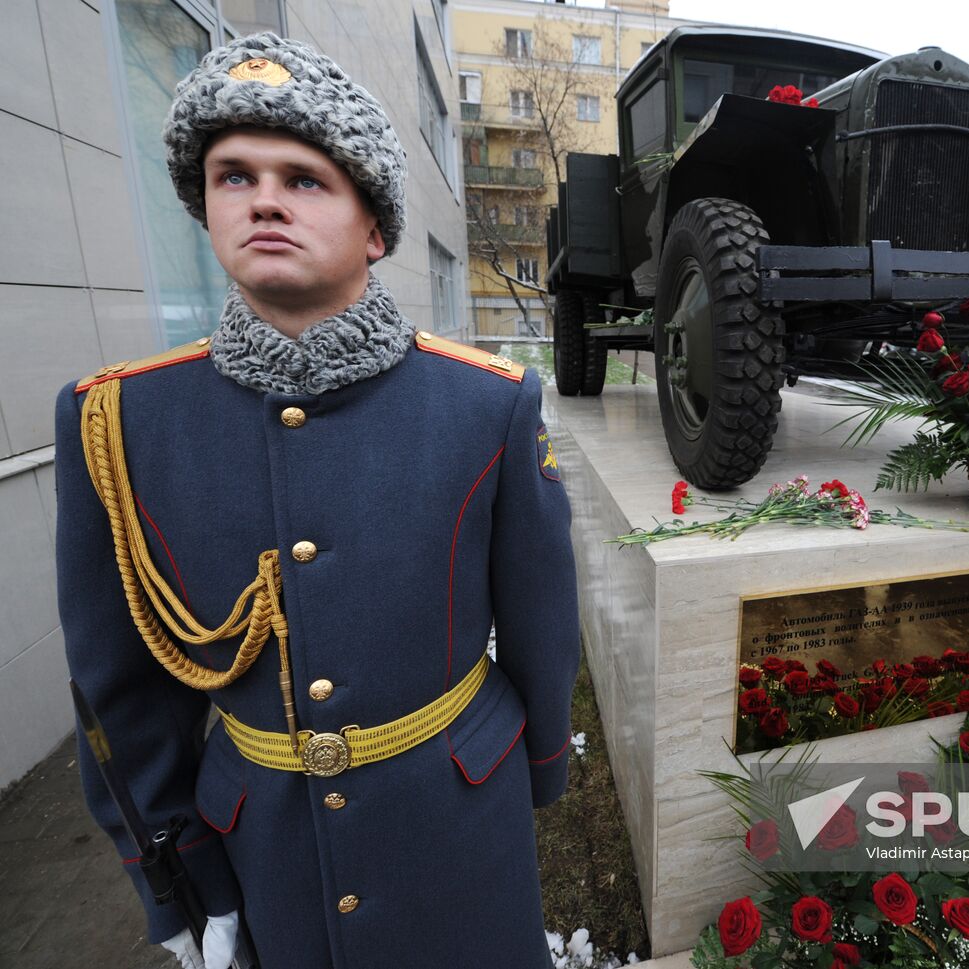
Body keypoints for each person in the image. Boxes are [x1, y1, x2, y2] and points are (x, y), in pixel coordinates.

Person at [53, 32, 580, 969]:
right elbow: (118, 684)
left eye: (304, 178)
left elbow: (540, 614)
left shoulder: (484, 402)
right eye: (232, 176)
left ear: (373, 228)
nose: (262, 199)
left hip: (457, 822)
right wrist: (168, 872)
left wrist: (536, 776)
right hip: (263, 842)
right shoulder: (120, 418)